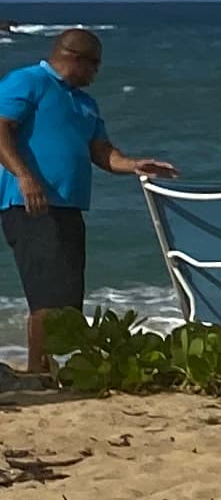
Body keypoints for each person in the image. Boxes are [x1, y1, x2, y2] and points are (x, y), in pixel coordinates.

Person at [1, 31, 175, 376]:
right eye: (94, 65)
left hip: (69, 205)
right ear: (74, 57)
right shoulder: (28, 81)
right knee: (46, 293)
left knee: (66, 294)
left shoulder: (84, 103)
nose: (96, 73)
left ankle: (56, 368)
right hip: (30, 203)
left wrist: (134, 165)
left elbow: (101, 151)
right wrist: (24, 176)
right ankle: (39, 371)